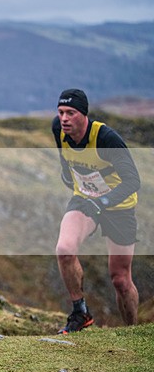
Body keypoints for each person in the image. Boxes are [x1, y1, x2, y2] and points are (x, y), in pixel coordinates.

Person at [53, 88, 140, 333]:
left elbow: (133, 181)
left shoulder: (106, 139)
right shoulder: (58, 129)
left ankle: (131, 332)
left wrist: (102, 202)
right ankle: (80, 312)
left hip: (119, 206)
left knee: (120, 279)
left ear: (84, 115)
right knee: (64, 249)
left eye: (70, 113)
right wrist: (70, 177)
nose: (64, 118)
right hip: (84, 199)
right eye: (61, 112)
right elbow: (64, 158)